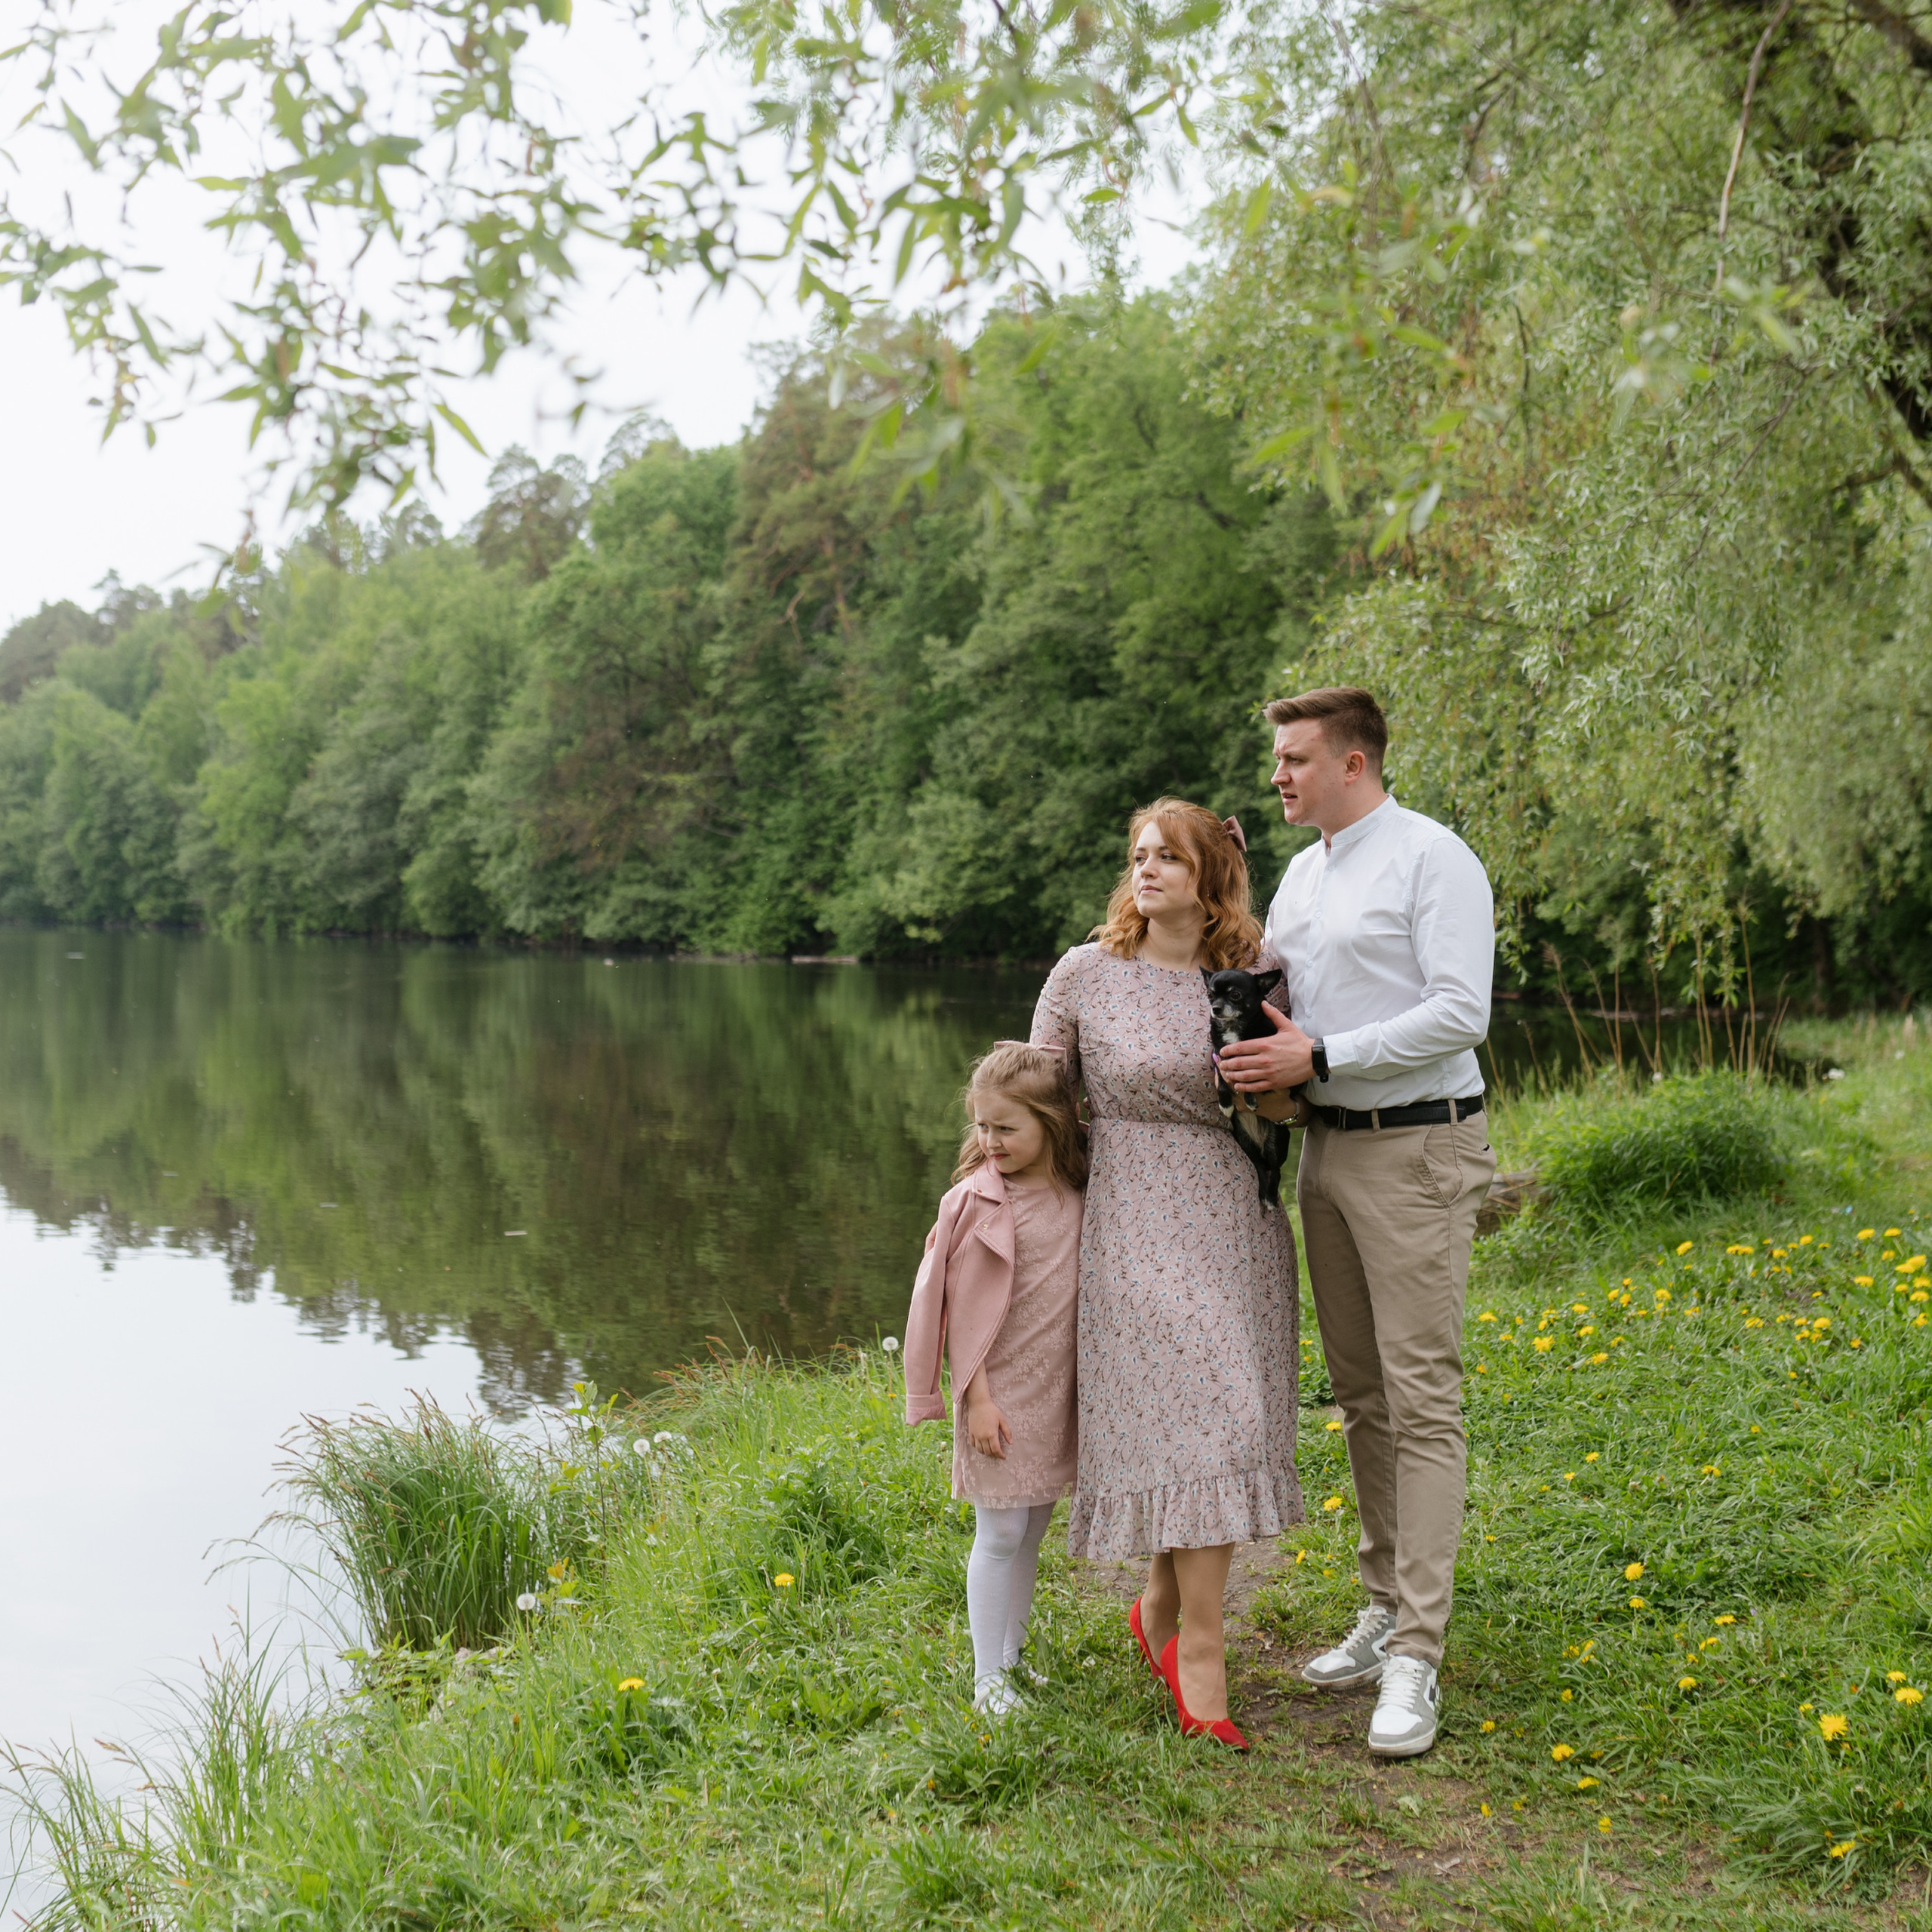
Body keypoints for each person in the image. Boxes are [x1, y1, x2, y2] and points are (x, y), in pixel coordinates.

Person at [1217, 686, 1495, 1758]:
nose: (1279, 774)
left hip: (1419, 1146)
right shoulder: (1304, 870)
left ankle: (1419, 1656)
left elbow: (1461, 1008)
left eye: (1294, 758)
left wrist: (1321, 1056)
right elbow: (1280, 991)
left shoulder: (1435, 858)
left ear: (1354, 762)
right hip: (1327, 1152)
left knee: (1423, 1398)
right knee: (1365, 1397)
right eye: (1278, 758)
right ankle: (1383, 1609)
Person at [1030, 798, 1303, 1749]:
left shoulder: (1251, 974)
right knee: (1197, 1408)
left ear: (1208, 876)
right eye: (1138, 856)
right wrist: (995, 1211)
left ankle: (1157, 1603)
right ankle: (1204, 1652)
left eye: (1170, 859)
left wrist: (1271, 1083)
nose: (1147, 871)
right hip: (1132, 1215)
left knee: (1224, 1413)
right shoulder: (1086, 975)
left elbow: (1292, 1107)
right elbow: (1039, 1104)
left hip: (1237, 1214)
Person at [902, 1040, 1088, 1717]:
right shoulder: (973, 1203)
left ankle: (1011, 1660)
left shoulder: (1074, 1190)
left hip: (1052, 1392)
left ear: (1055, 1123)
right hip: (997, 1394)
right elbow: (949, 1307)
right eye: (982, 1126)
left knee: (1032, 1529)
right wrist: (973, 1399)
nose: (991, 1140)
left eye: (1007, 1127)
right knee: (1000, 1534)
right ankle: (986, 1681)